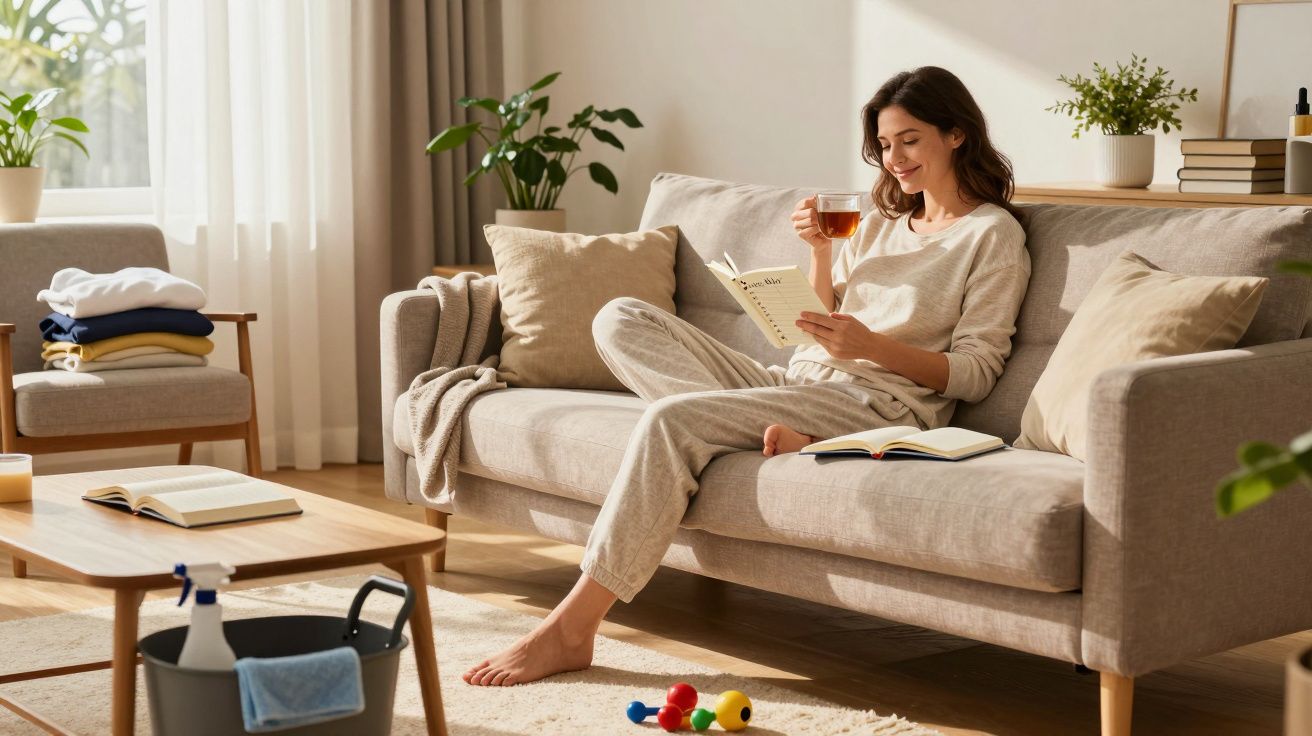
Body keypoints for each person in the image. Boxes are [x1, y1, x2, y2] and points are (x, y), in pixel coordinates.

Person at [463, 65, 1030, 687]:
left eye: (910, 140)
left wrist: (874, 346)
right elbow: (815, 324)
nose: (894, 158)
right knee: (619, 317)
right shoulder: (882, 224)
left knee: (673, 420)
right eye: (886, 144)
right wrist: (819, 254)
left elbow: (975, 375)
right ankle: (777, 436)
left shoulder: (992, 235)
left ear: (956, 135)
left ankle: (573, 628)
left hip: (877, 403)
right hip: (797, 381)